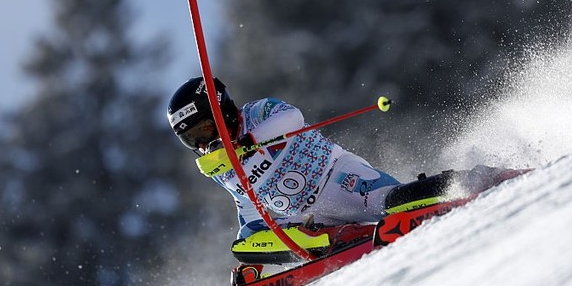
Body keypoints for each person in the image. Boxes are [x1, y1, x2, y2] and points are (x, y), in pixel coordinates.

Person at [167, 76, 402, 247]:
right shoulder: (221, 169)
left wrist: (248, 142)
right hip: (307, 217)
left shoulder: (256, 113)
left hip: (339, 179)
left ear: (222, 111)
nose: (203, 145)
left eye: (205, 130)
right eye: (191, 140)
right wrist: (251, 263)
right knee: (246, 238)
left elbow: (292, 117)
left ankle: (412, 198)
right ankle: (336, 240)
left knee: (390, 200)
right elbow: (245, 202)